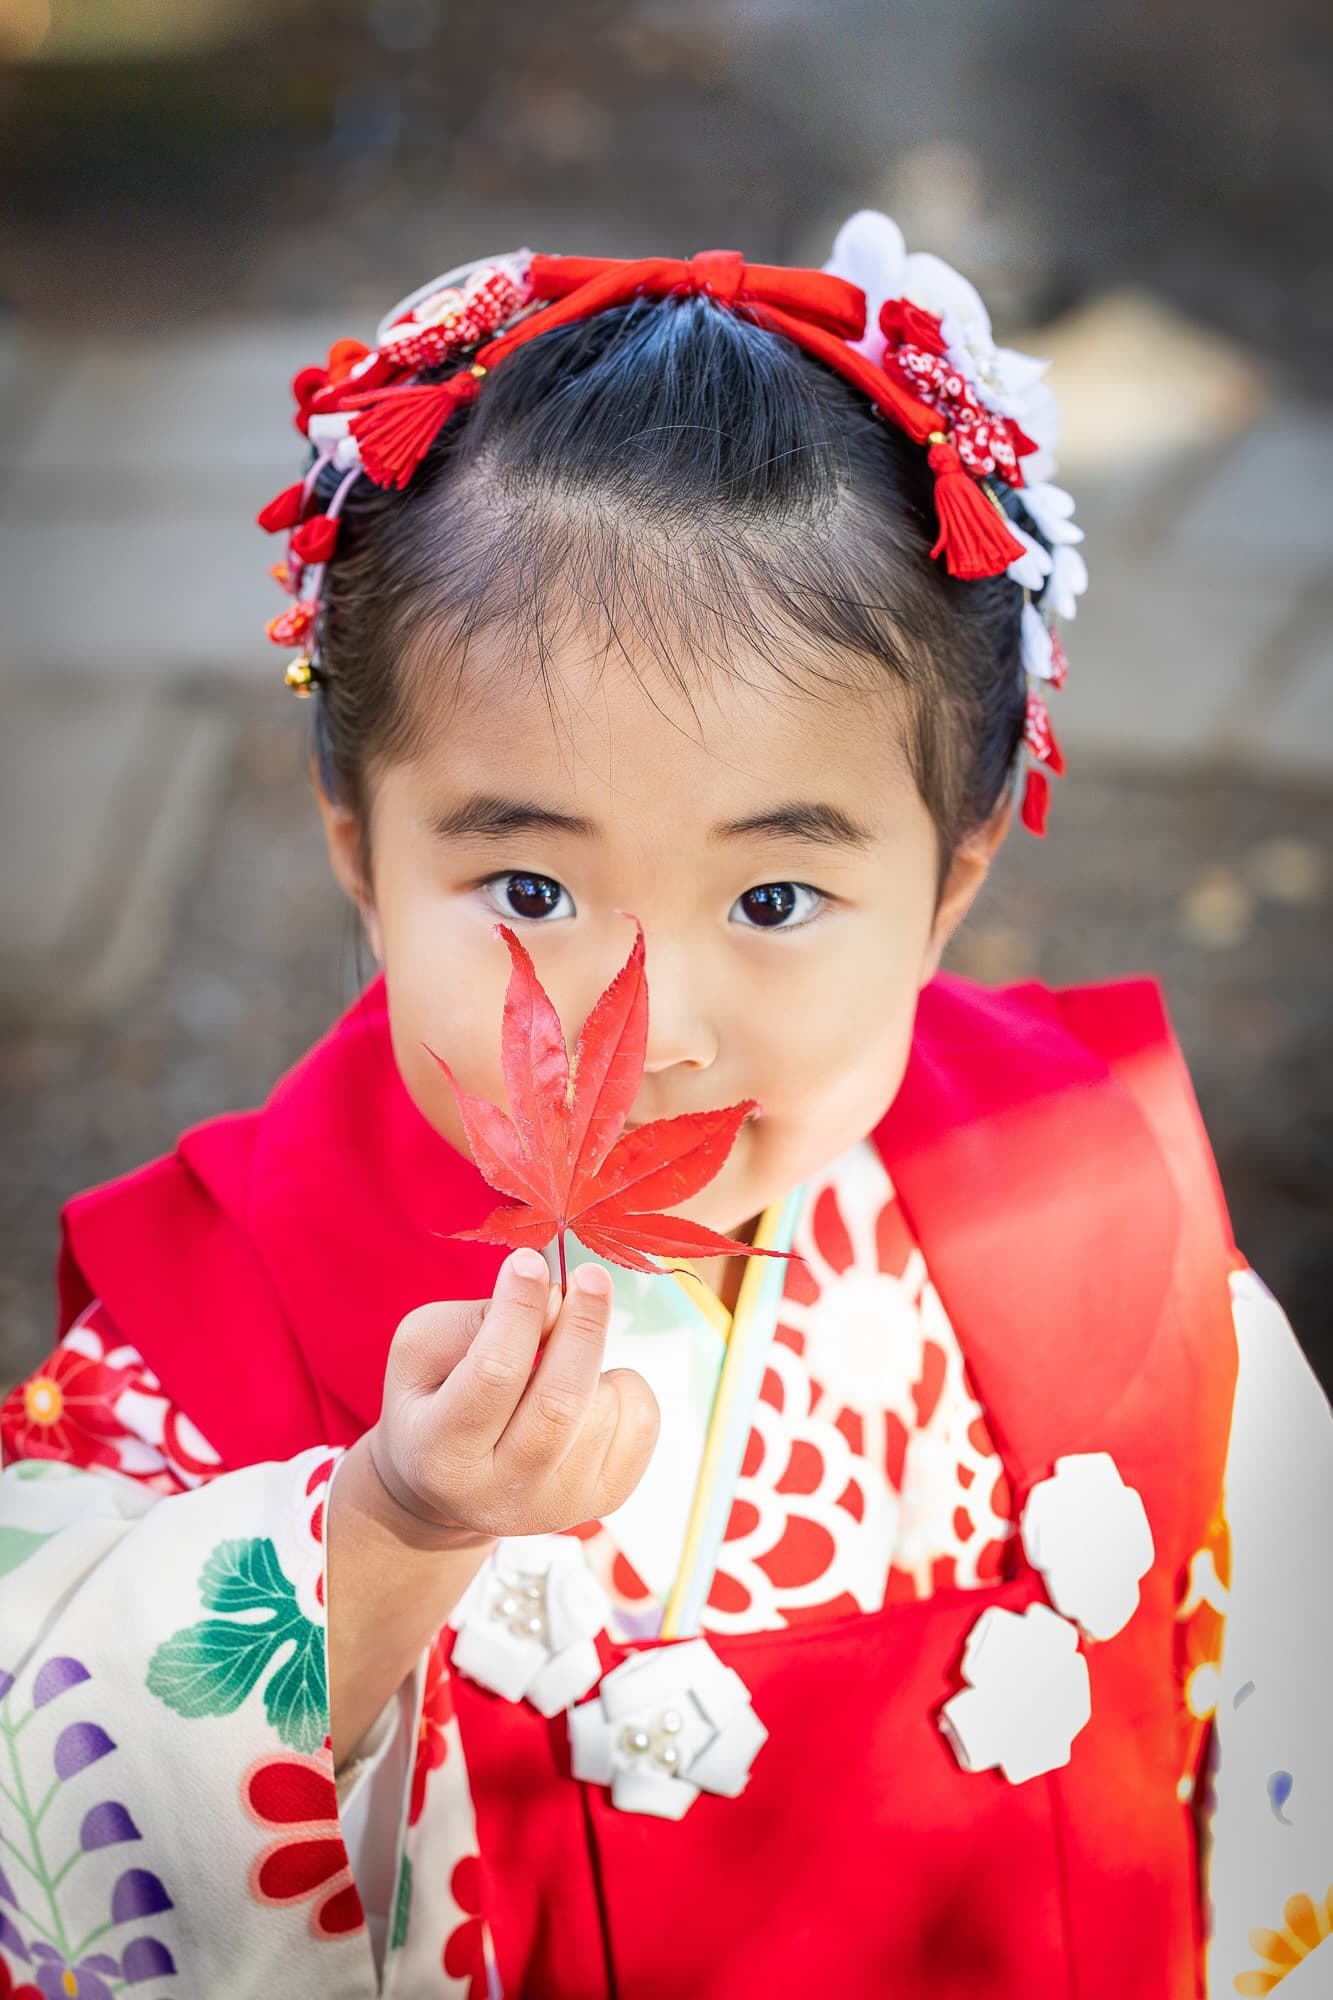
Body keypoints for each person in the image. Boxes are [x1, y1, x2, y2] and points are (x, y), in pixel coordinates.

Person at [1, 214, 1328, 2000]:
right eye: (528, 892)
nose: (652, 1038)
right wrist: (385, 1529)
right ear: (360, 856)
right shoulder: (205, 1329)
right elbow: (49, 1791)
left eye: (774, 900)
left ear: (951, 881)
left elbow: (1268, 1770)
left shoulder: (1093, 1197)